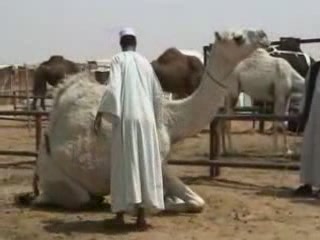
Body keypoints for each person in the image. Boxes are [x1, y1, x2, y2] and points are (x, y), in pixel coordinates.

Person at [94, 27, 165, 230]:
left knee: (124, 166)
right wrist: (156, 121)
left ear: (121, 43)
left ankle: (119, 216)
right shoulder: (145, 63)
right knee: (144, 165)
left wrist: (101, 112)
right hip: (147, 120)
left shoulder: (118, 60)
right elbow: (157, 94)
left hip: (126, 118)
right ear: (135, 43)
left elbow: (113, 87)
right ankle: (141, 217)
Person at [294, 61, 320, 197]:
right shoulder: (315, 69)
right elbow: (306, 90)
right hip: (313, 116)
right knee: (310, 149)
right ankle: (307, 184)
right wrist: (302, 110)